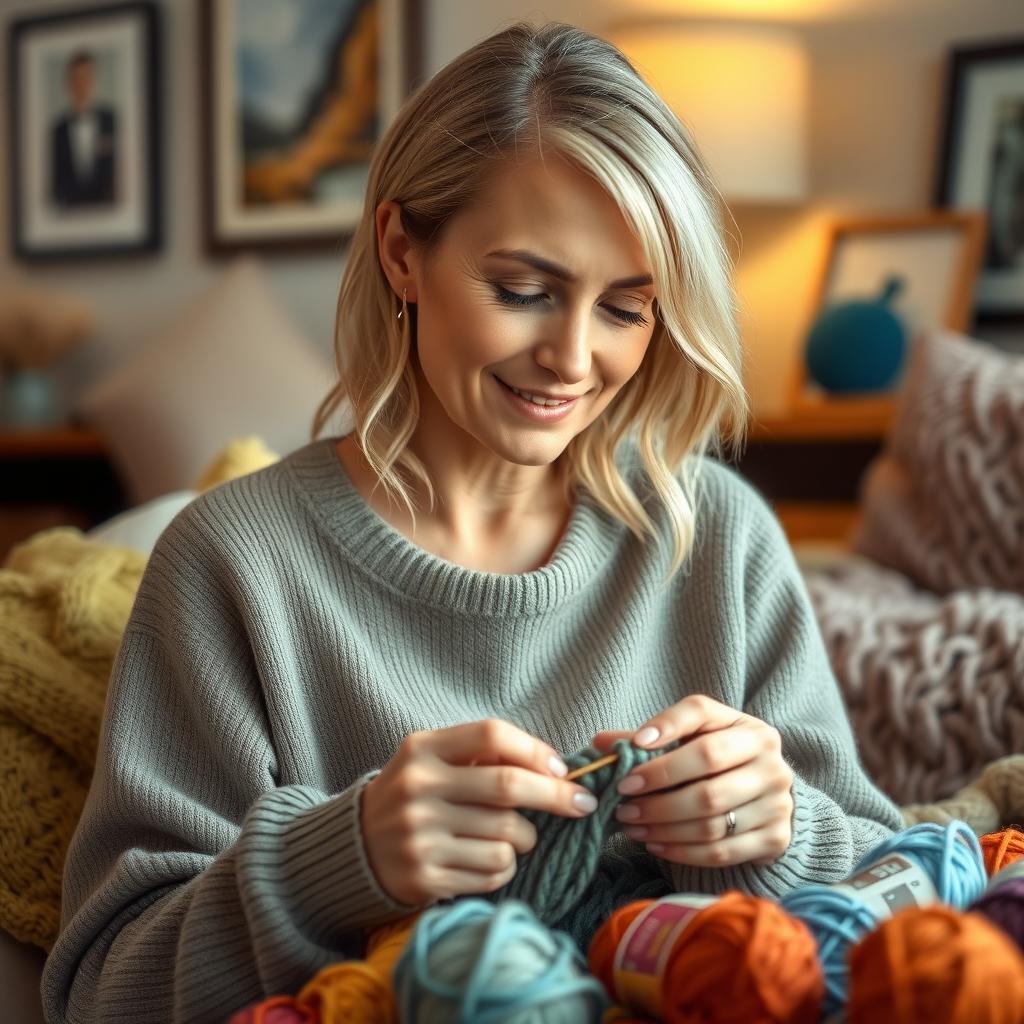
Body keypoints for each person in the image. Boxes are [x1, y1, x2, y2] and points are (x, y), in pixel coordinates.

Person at [40, 21, 904, 1023]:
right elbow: (104, 987)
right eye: (523, 291)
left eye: (626, 308)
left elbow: (899, 885)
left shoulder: (717, 535)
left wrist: (784, 829)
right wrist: (342, 858)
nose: (573, 358)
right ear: (402, 249)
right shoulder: (233, 562)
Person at [51, 49, 117, 208]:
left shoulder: (111, 121)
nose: (81, 85)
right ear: (69, 83)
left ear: (93, 80)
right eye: (76, 79)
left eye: (86, 77)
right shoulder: (58, 129)